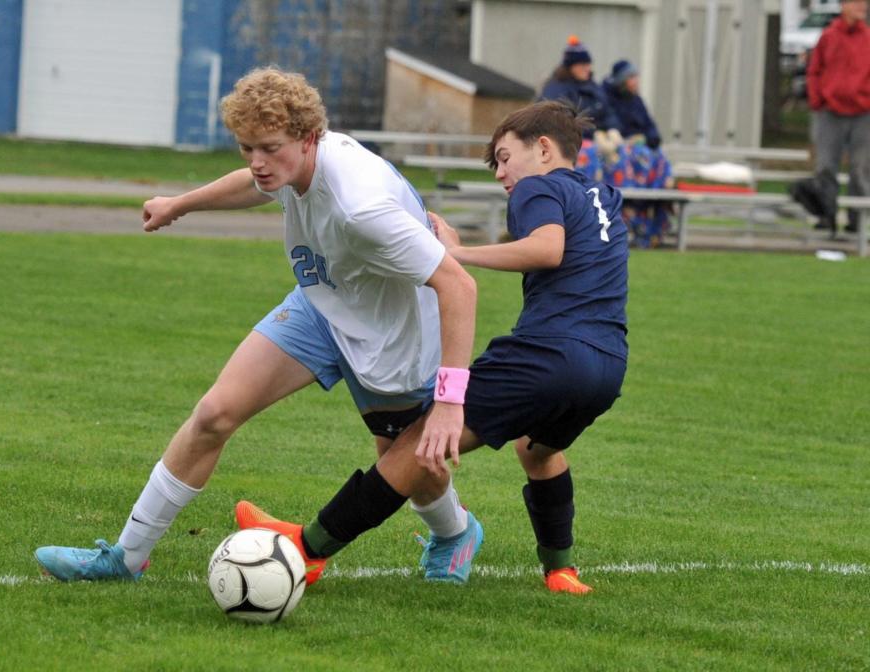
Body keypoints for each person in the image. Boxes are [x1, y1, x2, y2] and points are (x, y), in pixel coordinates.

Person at [33, 66, 480, 585]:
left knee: (409, 465)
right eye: (247, 148)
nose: (257, 163)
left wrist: (450, 402)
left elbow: (459, 286)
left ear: (309, 137)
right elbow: (256, 182)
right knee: (214, 415)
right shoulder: (289, 161)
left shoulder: (361, 206)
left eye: (268, 148)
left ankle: (456, 533)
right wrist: (181, 204)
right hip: (320, 305)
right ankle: (125, 559)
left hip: (392, 332)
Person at [238, 100, 629, 595]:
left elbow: (548, 249)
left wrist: (454, 252)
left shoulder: (538, 186)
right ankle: (561, 569)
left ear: (545, 149)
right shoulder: (602, 195)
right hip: (607, 364)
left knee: (418, 446)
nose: (502, 174)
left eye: (505, 158)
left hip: (548, 355)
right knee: (537, 450)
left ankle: (309, 547)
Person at [805, 0, 870, 234]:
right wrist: (818, 101)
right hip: (830, 112)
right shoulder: (829, 37)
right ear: (844, 5)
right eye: (857, 3)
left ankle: (857, 220)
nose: (862, 7)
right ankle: (826, 217)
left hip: (863, 113)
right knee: (825, 166)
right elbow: (815, 70)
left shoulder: (868, 38)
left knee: (861, 168)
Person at [603, 59, 674, 247]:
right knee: (634, 156)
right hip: (622, 147)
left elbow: (651, 128)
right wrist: (633, 139)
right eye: (631, 77)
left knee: (660, 160)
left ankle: (654, 220)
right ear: (622, 80)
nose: (636, 82)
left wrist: (649, 138)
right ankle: (632, 215)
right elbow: (611, 125)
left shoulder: (636, 99)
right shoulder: (606, 96)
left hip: (641, 148)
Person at [537, 36, 621, 140]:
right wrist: (594, 135)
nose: (587, 69)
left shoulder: (594, 87)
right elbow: (558, 123)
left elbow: (608, 112)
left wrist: (613, 129)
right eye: (582, 65)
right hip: (571, 143)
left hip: (601, 140)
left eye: (588, 64)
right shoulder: (556, 89)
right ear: (570, 67)